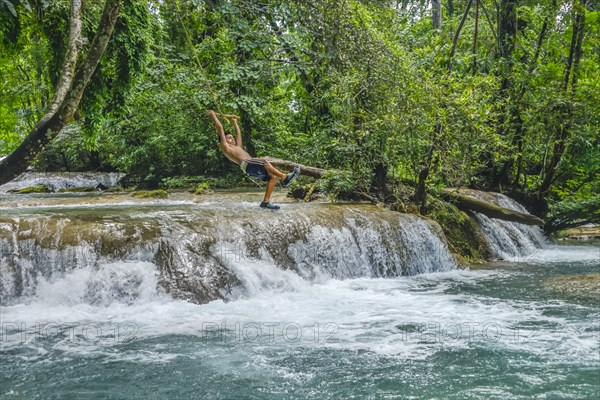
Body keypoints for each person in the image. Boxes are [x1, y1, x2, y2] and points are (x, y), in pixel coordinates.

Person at [207, 110, 300, 210]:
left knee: (273, 177)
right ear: (223, 140)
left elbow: (239, 134)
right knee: (265, 162)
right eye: (229, 138)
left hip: (250, 166)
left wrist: (235, 122)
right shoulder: (226, 148)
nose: (232, 139)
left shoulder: (237, 147)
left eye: (232, 137)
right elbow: (220, 128)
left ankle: (265, 202)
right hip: (247, 164)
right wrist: (213, 115)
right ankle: (285, 177)